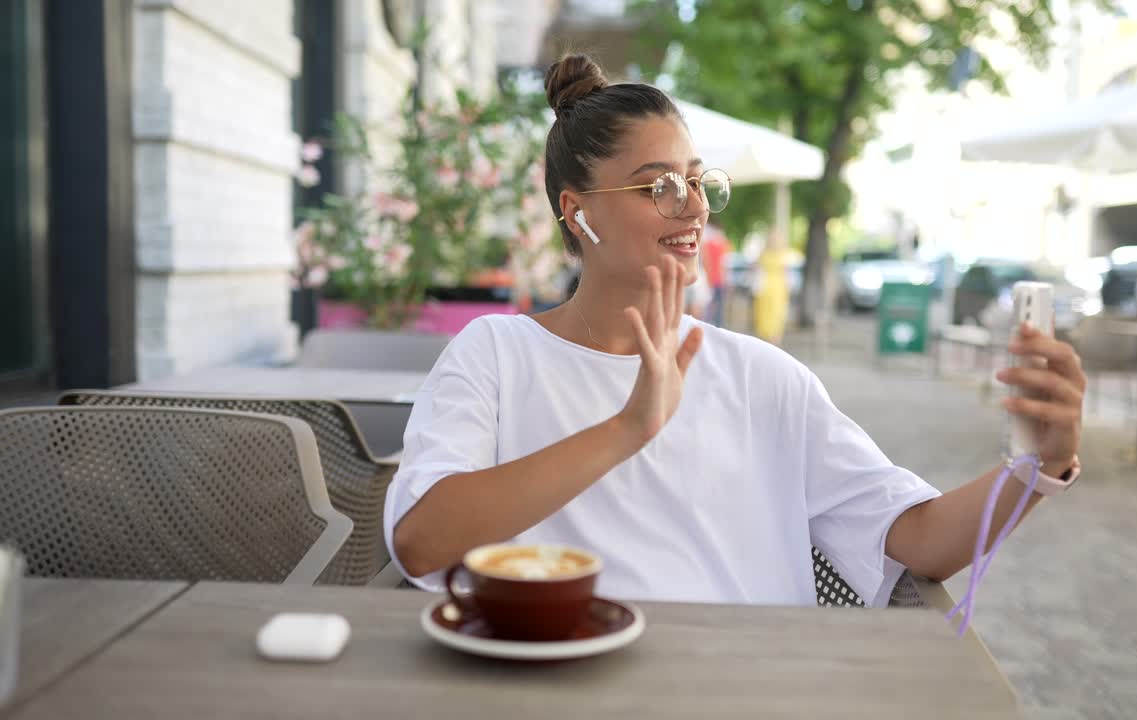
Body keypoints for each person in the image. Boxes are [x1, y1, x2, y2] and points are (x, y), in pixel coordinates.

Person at [385, 54, 1085, 607]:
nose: (692, 207)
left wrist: (1040, 467)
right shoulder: (497, 355)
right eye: (658, 185)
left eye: (697, 182)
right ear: (578, 212)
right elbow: (422, 542)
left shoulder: (763, 377)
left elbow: (920, 541)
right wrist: (627, 429)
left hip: (747, 682)